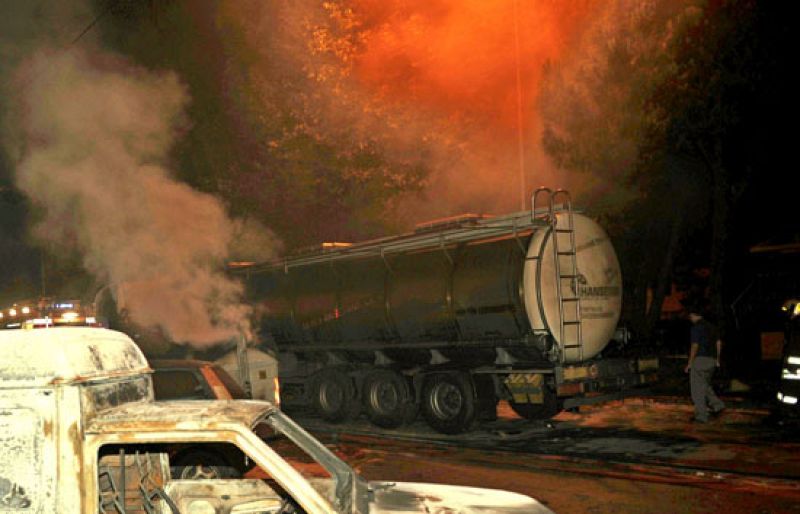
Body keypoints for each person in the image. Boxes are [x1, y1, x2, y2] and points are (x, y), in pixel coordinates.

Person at [684, 310, 725, 423]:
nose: (689, 318)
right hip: (711, 360)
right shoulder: (712, 327)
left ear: (693, 314)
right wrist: (717, 359)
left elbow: (695, 345)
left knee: (697, 390)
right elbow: (718, 343)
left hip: (700, 360)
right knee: (704, 385)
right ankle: (718, 405)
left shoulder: (696, 327)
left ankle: (701, 416)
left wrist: (690, 363)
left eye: (690, 315)